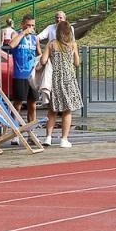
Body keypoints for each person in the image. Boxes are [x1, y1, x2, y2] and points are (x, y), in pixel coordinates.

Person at [43, 19, 82, 148]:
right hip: (69, 79)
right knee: (67, 110)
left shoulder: (51, 44)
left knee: (52, 110)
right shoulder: (72, 44)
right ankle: (64, 139)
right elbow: (76, 63)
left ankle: (48, 137)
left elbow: (43, 61)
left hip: (55, 79)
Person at [6, 14, 44, 130]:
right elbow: (11, 45)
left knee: (32, 104)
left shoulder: (35, 38)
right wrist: (23, 33)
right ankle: (14, 130)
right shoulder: (16, 34)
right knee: (18, 103)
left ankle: (31, 130)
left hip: (32, 74)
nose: (30, 28)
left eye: (32, 25)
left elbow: (39, 53)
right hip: (20, 74)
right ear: (23, 24)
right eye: (28, 25)